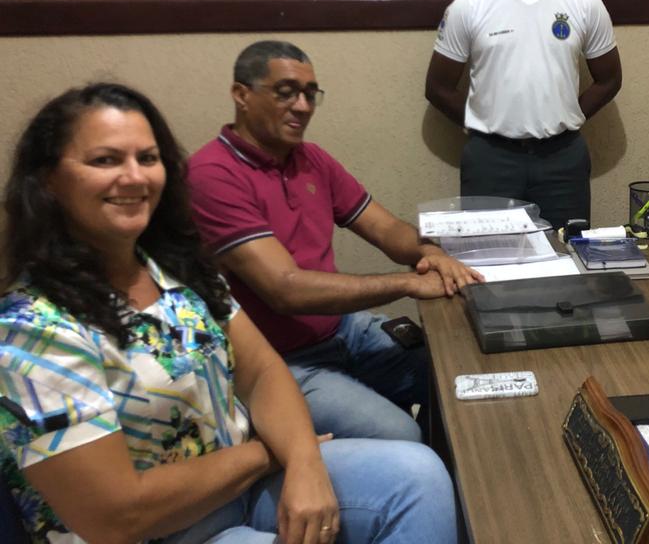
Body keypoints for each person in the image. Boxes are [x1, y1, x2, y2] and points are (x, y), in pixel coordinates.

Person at [0, 83, 456, 544]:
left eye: (147, 158)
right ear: (48, 180)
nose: (134, 176)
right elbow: (118, 516)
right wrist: (266, 455)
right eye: (105, 160)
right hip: (159, 531)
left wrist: (303, 463)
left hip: (238, 489)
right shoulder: (32, 328)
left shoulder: (174, 268)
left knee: (419, 475)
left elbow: (262, 372)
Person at [188, 41, 482, 444]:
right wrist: (408, 283)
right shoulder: (212, 175)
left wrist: (428, 252)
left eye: (310, 94)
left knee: (456, 375)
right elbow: (286, 290)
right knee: (401, 433)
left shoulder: (311, 159)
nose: (302, 106)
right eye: (286, 92)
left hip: (343, 330)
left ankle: (448, 476)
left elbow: (385, 229)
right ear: (242, 95)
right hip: (277, 362)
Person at [424, 0, 622, 231]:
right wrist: (483, 123)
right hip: (491, 162)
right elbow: (437, 87)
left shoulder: (583, 1)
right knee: (490, 258)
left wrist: (569, 114)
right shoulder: (471, 4)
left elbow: (610, 79)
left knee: (566, 256)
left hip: (563, 161)